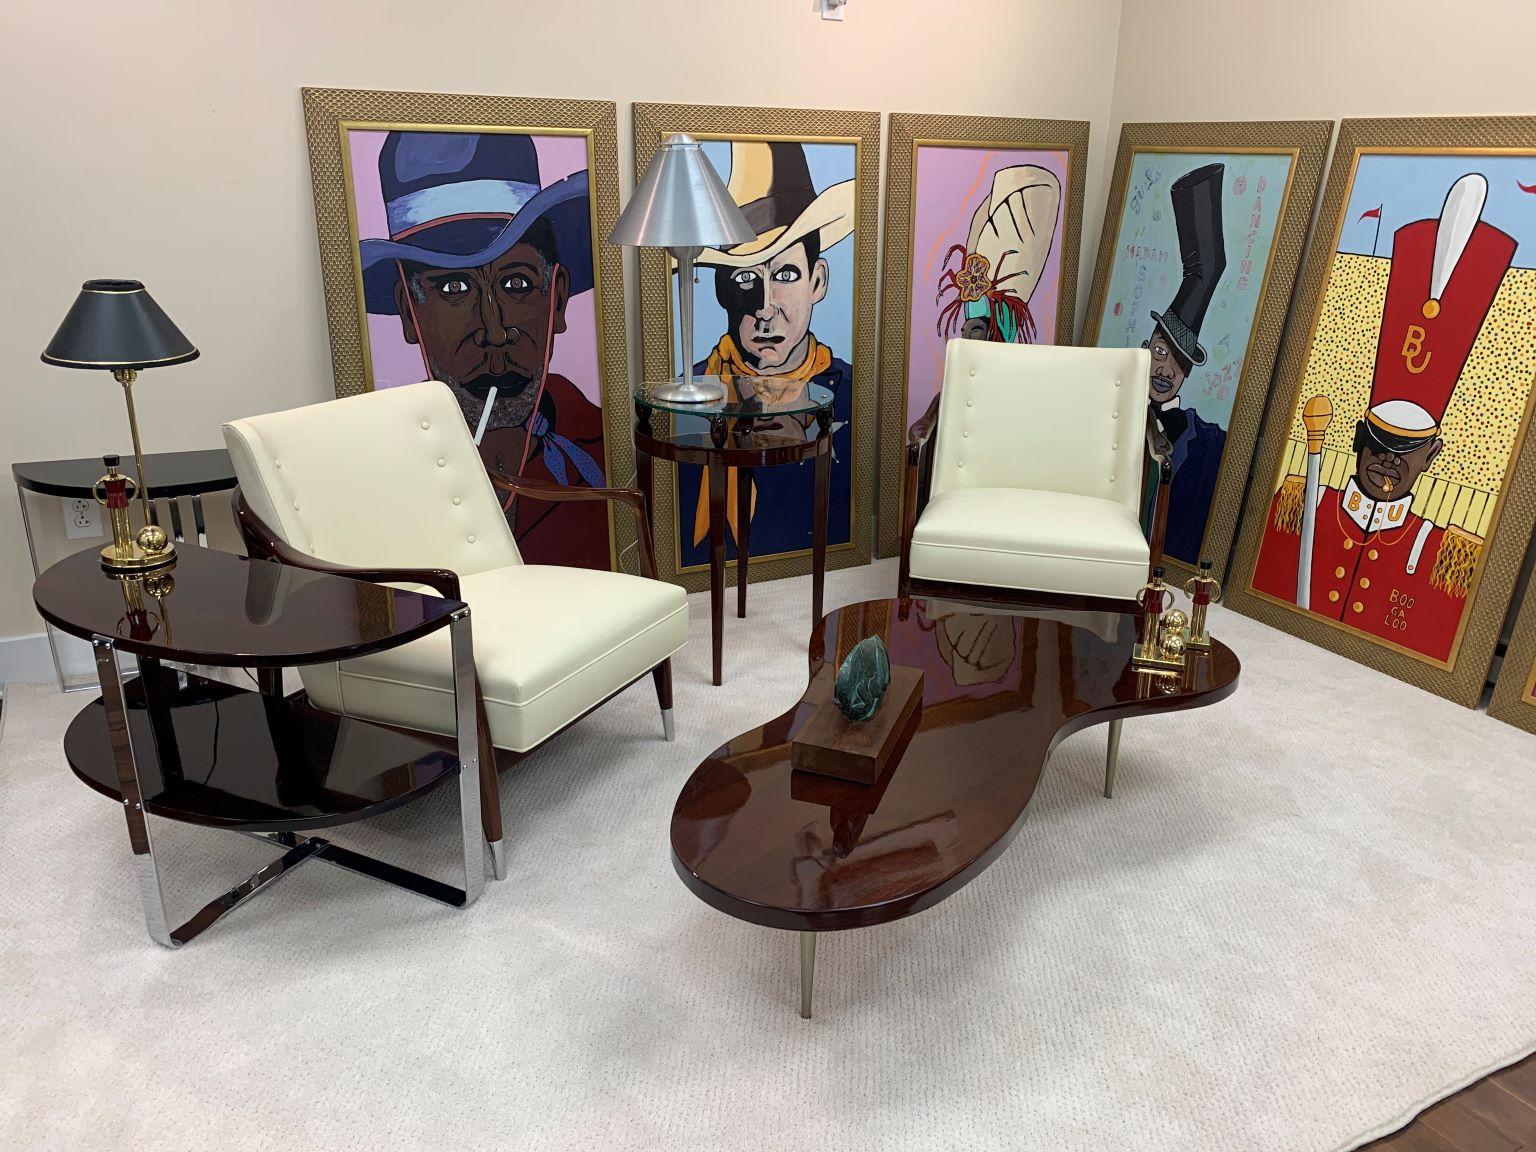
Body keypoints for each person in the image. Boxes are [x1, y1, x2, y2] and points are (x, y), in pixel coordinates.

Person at [1251, 174, 1513, 663]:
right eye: (1378, 442)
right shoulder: (1295, 508)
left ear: (1431, 456)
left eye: (1405, 451)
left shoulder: (1444, 559)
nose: (1387, 462)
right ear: (1356, 436)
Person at [358, 131, 609, 570]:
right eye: (453, 288)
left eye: (517, 284)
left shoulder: (602, 448)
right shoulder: (380, 472)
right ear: (407, 310)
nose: (495, 332)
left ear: (558, 298)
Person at [682, 141, 855, 561]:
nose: (764, 307)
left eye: (786, 274)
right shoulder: (694, 392)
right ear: (722, 291)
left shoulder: (847, 392)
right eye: (744, 278)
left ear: (818, 282)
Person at [1140, 163, 1229, 563]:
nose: (1165, 370)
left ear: (1188, 373)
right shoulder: (1104, 415)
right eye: (1160, 352)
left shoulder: (1208, 443)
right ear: (1144, 348)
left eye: (1177, 362)